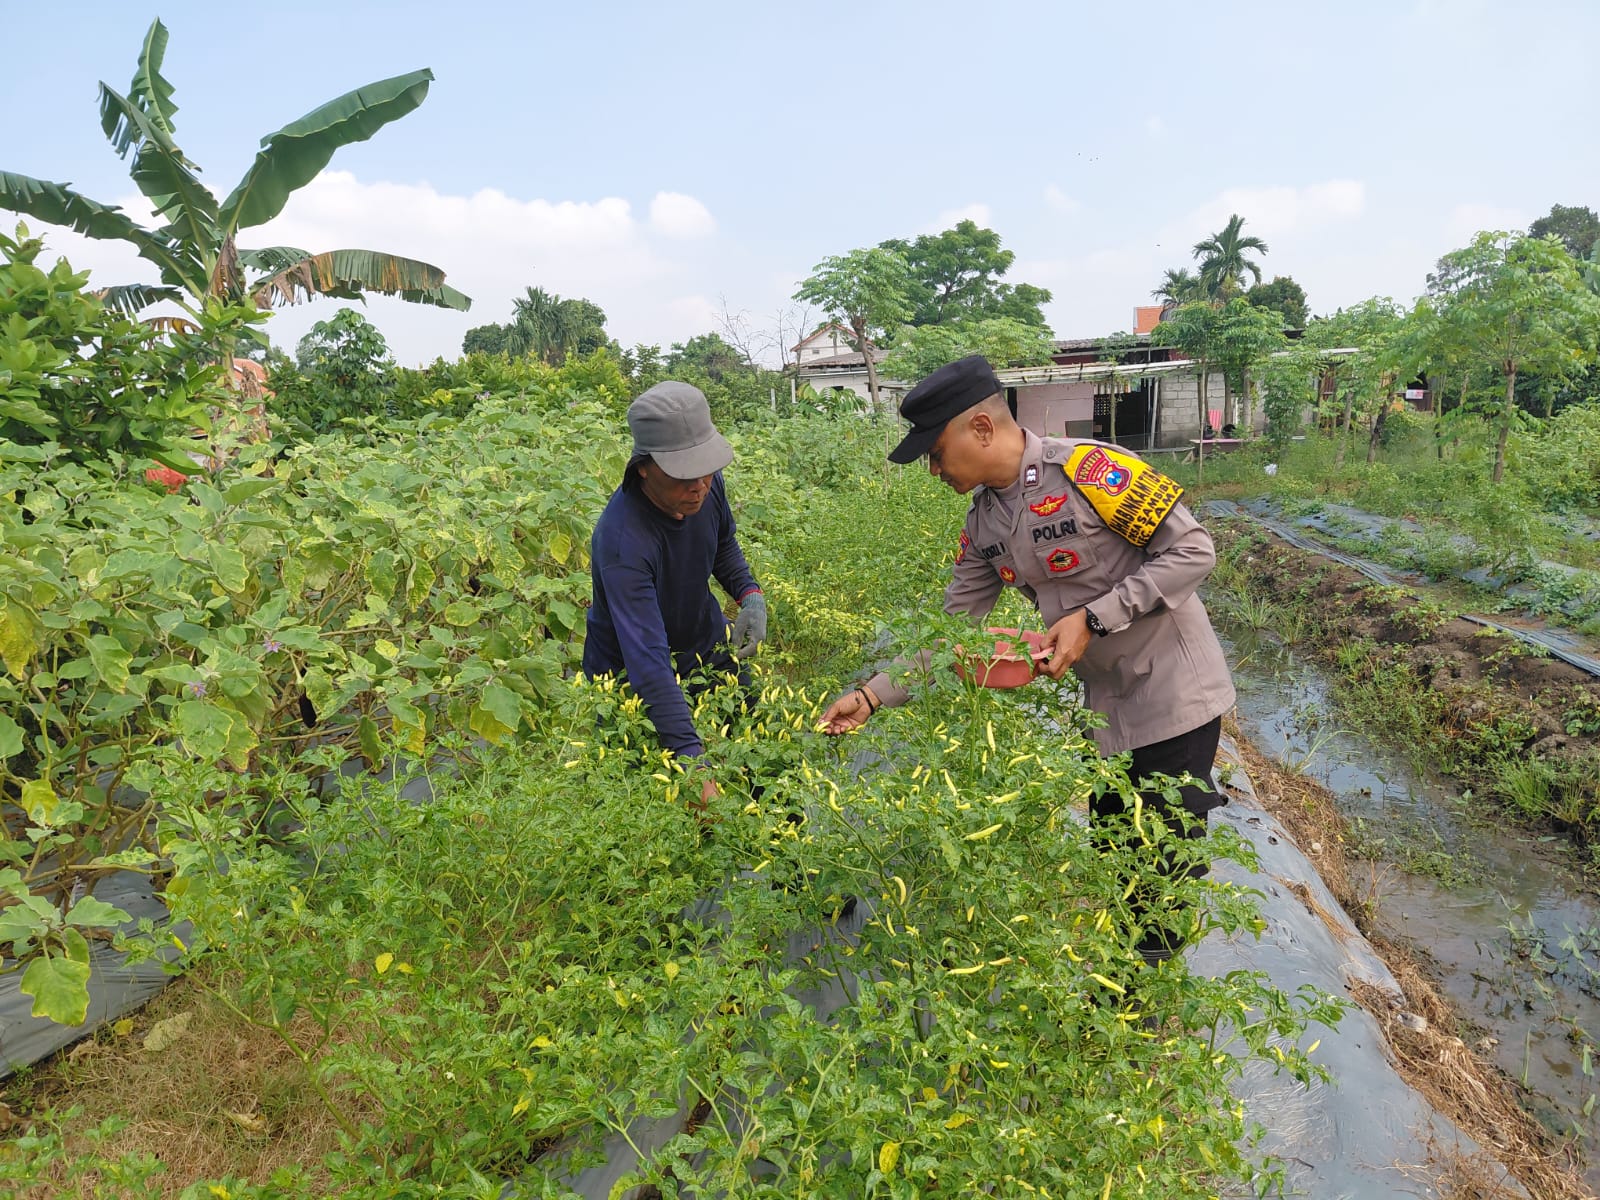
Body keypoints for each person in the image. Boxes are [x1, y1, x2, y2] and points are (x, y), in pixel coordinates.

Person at [820, 356, 1235, 966]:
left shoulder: (1094, 470)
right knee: (1114, 850)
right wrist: (873, 695)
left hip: (1175, 694)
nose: (933, 470)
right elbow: (946, 631)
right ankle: (1118, 994)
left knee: (1161, 867)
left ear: (982, 429)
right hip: (1105, 707)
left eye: (936, 453)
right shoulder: (983, 523)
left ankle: (1146, 1011)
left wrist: (1095, 618)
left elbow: (1194, 550)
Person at [583, 381, 767, 806]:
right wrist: (690, 758)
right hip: (631, 674)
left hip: (703, 644)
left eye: (706, 469)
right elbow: (647, 659)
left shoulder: (705, 483)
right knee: (651, 803)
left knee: (763, 760)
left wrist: (749, 593)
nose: (700, 486)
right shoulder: (622, 541)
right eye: (685, 474)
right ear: (644, 467)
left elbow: (722, 545)